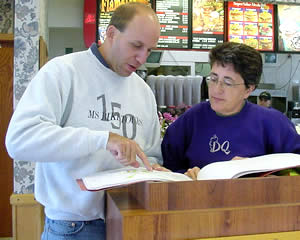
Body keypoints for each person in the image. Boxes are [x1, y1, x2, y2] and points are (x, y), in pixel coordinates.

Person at [5, 2, 162, 240]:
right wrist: (103, 139)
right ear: (110, 33)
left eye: (149, 50)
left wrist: (154, 170)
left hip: (129, 225)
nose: (142, 58)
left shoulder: (143, 91)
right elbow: (19, 140)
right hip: (72, 228)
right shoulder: (63, 72)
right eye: (136, 45)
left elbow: (149, 155)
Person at [161, 42, 300, 180]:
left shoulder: (273, 123)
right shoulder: (191, 120)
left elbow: (295, 169)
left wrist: (257, 171)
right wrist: (186, 175)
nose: (216, 89)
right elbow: (168, 170)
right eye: (213, 79)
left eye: (227, 83)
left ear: (248, 89)